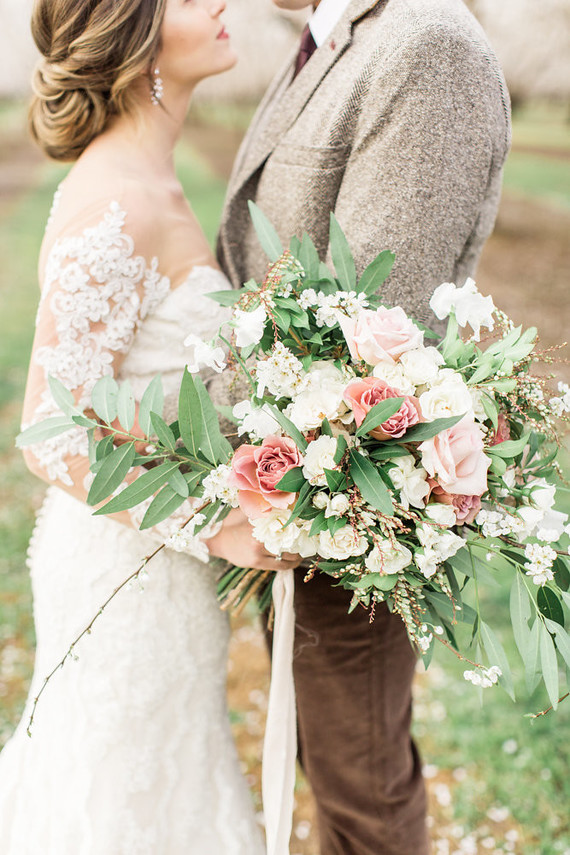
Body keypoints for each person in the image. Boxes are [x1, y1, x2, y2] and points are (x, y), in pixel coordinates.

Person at [0, 0, 300, 852]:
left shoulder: (155, 176)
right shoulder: (117, 199)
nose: (221, 3)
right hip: (122, 573)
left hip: (163, 571)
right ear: (133, 38)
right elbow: (54, 430)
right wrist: (222, 523)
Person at [217, 0, 511, 852]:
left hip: (356, 508)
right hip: (289, 492)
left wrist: (287, 480)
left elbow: (378, 324)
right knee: (332, 762)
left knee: (362, 790)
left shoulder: (429, 47)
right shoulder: (328, 36)